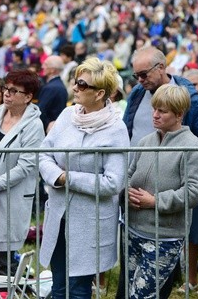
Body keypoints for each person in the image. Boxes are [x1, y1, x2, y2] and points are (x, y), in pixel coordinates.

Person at [39, 58, 130, 298]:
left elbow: (113, 182)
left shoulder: (116, 129)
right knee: (58, 287)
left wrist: (69, 178)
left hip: (91, 222)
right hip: (59, 217)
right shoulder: (68, 115)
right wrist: (57, 177)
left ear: (100, 93)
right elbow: (44, 155)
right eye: (76, 81)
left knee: (78, 289)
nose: (75, 87)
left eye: (82, 84)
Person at [119, 46, 198, 298]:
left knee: (143, 295)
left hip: (165, 236)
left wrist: (156, 201)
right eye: (154, 109)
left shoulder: (193, 147)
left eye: (162, 111)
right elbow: (129, 173)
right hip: (134, 229)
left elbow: (193, 192)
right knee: (128, 291)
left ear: (179, 114)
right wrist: (126, 192)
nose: (154, 115)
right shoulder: (145, 141)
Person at [0, 70, 45, 276]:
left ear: (28, 97)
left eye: (14, 90)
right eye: (6, 88)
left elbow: (25, 167)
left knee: (0, 262)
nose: (7, 93)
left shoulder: (34, 125)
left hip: (7, 198)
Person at [37, 56, 68, 133]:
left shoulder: (51, 88)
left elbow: (40, 111)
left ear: (53, 70)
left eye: (46, 64)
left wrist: (47, 124)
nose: (42, 66)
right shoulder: (58, 85)